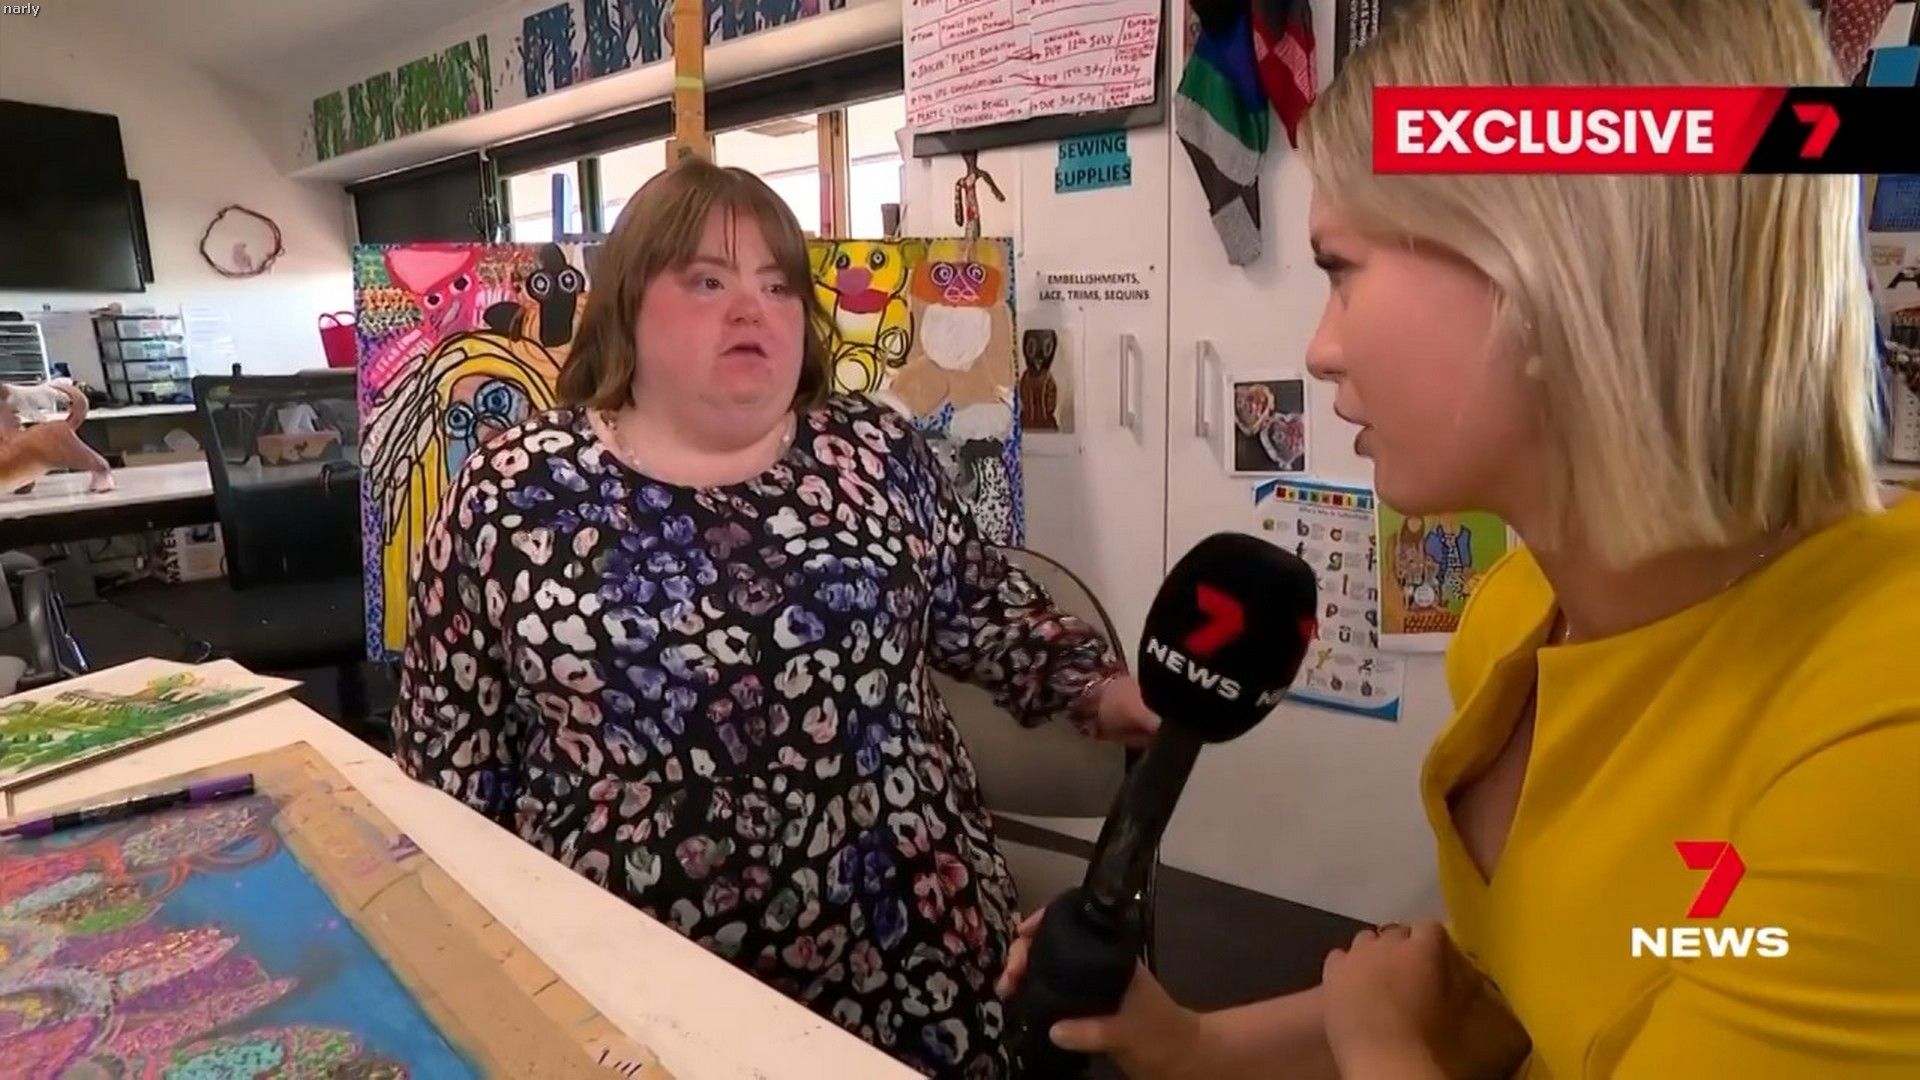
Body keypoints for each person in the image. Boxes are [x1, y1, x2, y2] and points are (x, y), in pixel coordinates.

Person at [998, 0, 1920, 1076]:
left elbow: (1412, 1025)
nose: (1321, 347)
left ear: (1550, 262)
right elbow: (1523, 1002)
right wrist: (1194, 1047)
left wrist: (1377, 1039)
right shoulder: (1515, 617)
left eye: (1341, 269)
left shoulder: (1882, 728)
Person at [391, 160, 1160, 1077]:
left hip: (911, 957)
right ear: (627, 305)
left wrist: (1105, 690)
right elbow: (448, 764)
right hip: (622, 983)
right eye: (707, 281)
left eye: (777, 284)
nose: (751, 310)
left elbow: (984, 607)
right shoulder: (515, 489)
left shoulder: (876, 450)